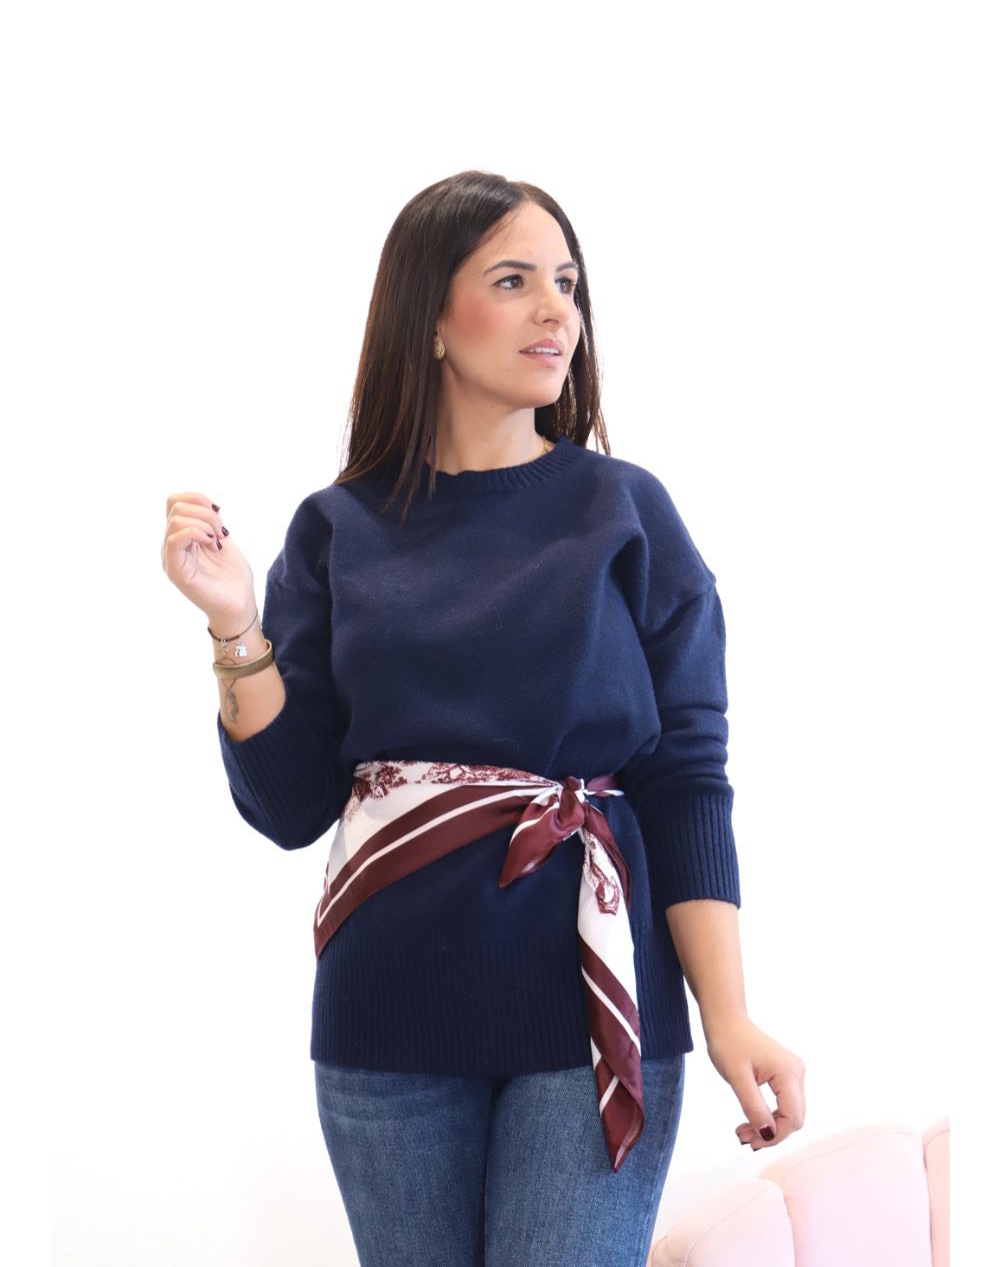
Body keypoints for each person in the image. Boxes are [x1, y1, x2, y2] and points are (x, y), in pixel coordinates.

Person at [161, 169, 806, 1266]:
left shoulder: (627, 512)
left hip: (596, 1011)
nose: (557, 310)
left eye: (567, 283)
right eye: (513, 281)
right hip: (386, 1017)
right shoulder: (337, 528)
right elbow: (292, 803)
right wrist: (235, 626)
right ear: (429, 320)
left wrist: (728, 1011)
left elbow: (687, 779)